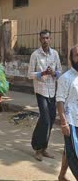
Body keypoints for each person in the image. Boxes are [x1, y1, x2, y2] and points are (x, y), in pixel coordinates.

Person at [28, 29, 62, 161]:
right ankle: (37, 148)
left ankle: (44, 148)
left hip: (52, 91)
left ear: (50, 39)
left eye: (47, 38)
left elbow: (60, 72)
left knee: (51, 118)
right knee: (45, 118)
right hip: (41, 91)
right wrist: (42, 73)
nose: (45, 40)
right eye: (43, 38)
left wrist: (53, 73)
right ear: (40, 40)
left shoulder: (55, 54)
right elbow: (30, 74)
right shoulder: (35, 55)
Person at [56, 46, 78, 180]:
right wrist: (64, 123)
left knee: (69, 149)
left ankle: (61, 175)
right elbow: (60, 101)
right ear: (71, 59)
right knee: (74, 154)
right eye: (77, 55)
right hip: (71, 121)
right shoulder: (65, 78)